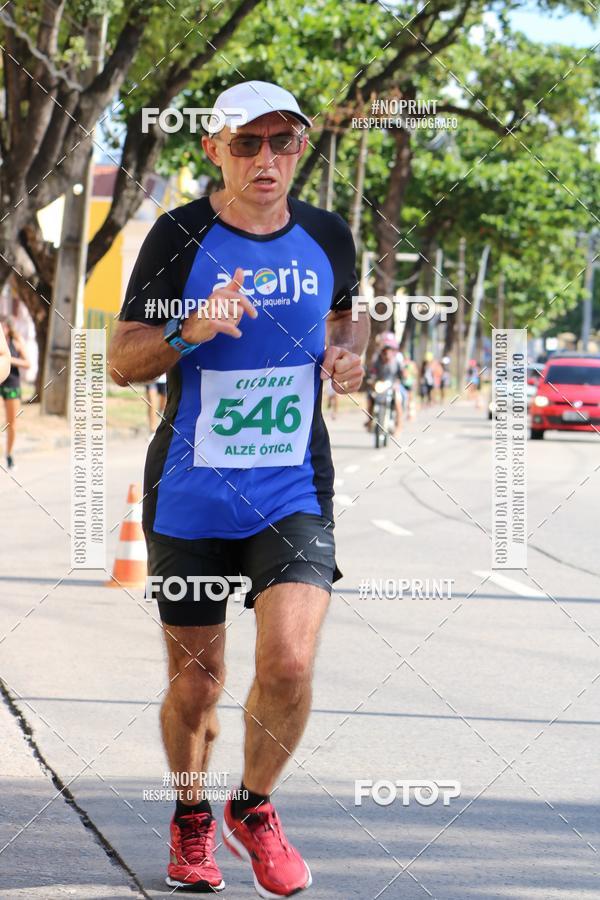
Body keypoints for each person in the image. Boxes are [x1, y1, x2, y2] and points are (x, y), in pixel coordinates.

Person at [108, 80, 368, 897]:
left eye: (281, 142)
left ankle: (253, 807)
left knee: (288, 661)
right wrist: (190, 327)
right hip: (191, 491)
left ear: (299, 149)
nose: (266, 158)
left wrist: (348, 354)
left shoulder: (329, 235)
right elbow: (120, 360)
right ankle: (191, 814)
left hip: (292, 486)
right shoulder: (180, 234)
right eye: (246, 143)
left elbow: (345, 317)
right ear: (215, 149)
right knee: (198, 682)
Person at [1, 315, 30, 470]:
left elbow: (28, 363)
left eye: (4, 327)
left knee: (11, 423)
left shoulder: (16, 343)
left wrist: (9, 360)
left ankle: (10, 454)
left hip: (12, 385)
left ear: (9, 328)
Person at [365, 338, 404, 436]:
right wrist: (372, 380)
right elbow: (372, 373)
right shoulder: (377, 361)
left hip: (392, 387)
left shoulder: (396, 362)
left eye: (388, 353)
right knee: (370, 399)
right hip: (380, 387)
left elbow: (401, 376)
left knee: (398, 402)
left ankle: (399, 426)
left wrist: (397, 383)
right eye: (384, 353)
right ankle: (369, 420)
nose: (386, 356)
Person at [146, 372, 167, 438]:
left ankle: (160, 415)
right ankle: (153, 431)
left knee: (164, 404)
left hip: (165, 377)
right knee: (152, 404)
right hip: (151, 377)